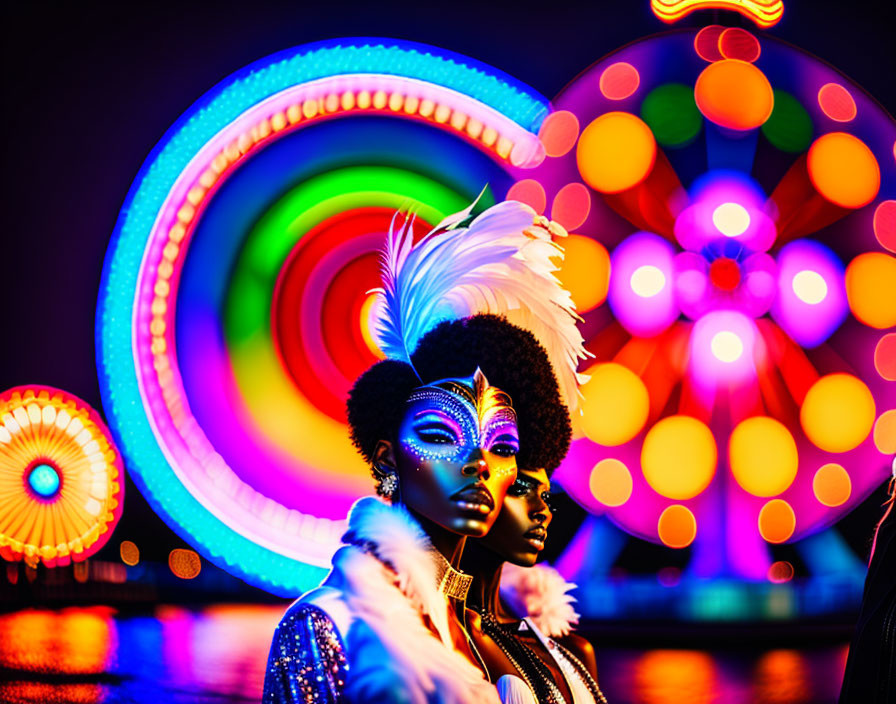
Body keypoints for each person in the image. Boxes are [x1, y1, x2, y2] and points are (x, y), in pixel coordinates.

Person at [263, 199, 588, 703]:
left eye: (502, 446)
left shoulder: (506, 643)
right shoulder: (329, 629)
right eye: (440, 436)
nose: (479, 462)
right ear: (388, 459)